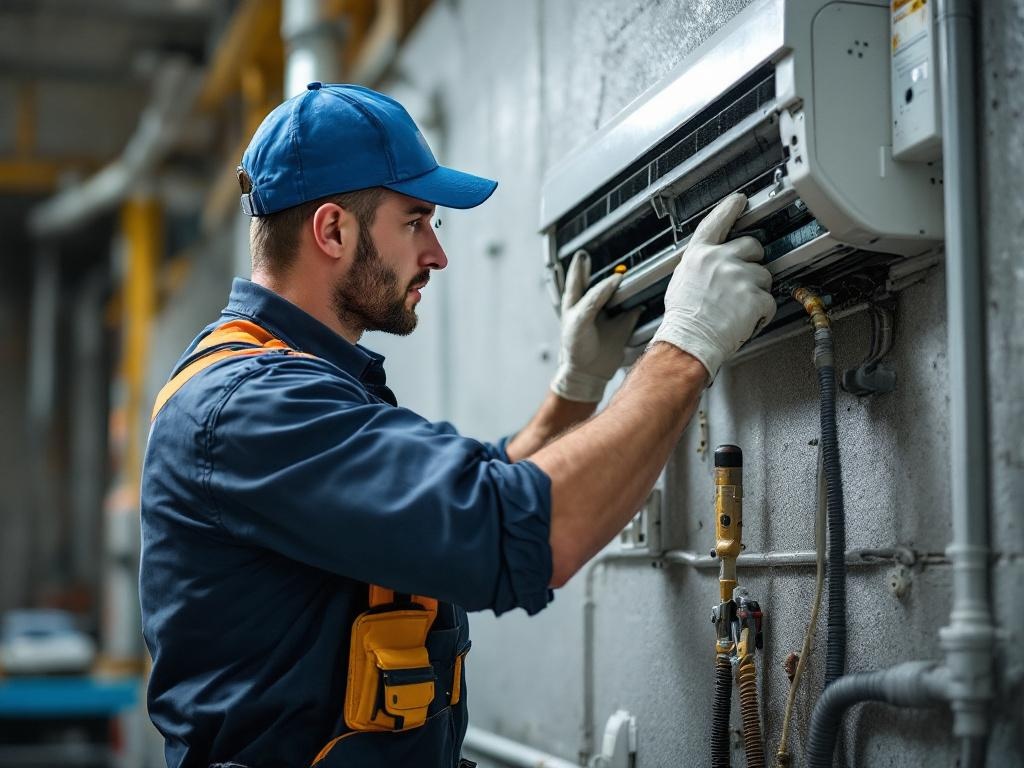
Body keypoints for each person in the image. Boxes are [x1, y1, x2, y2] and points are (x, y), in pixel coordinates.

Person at [139, 82, 775, 768]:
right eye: (416, 221)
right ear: (332, 231)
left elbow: (462, 488)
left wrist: (576, 392)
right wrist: (683, 350)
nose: (437, 254)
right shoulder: (253, 405)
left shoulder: (296, 383)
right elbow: (505, 527)